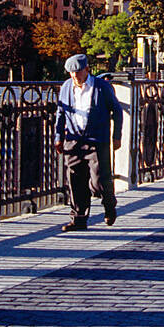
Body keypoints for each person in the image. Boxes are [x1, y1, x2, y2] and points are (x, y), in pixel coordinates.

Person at [53, 54, 124, 232]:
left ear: (87, 70)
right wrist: (58, 137)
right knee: (75, 180)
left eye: (78, 72)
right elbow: (61, 113)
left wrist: (116, 136)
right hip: (74, 141)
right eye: (71, 73)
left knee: (100, 180)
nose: (75, 76)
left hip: (96, 140)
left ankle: (109, 205)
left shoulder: (102, 87)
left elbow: (117, 111)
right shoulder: (66, 87)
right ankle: (78, 219)